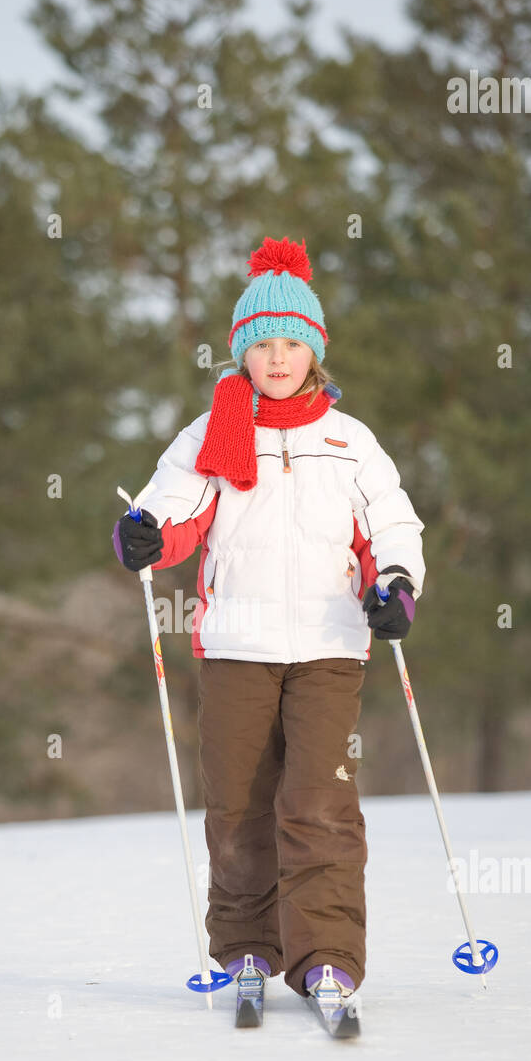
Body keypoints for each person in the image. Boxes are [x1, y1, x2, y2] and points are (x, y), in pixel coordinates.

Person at [112, 235, 424, 1012]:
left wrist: (396, 585)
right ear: (241, 354)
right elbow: (170, 512)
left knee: (318, 802)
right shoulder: (212, 435)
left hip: (328, 650)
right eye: (262, 344)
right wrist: (143, 533)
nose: (277, 358)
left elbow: (392, 527)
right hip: (236, 650)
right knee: (240, 806)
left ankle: (326, 956)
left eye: (291, 343)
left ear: (313, 351)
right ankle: (248, 946)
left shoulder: (351, 444)